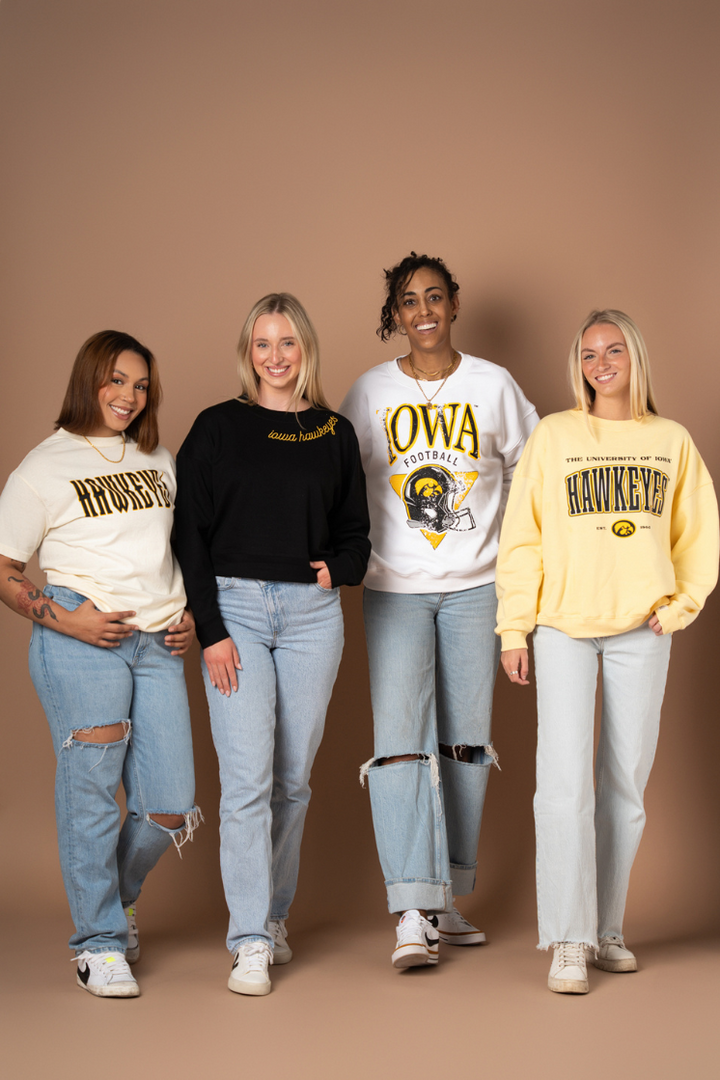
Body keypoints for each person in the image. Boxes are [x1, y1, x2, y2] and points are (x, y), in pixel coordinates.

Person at [496, 309, 719, 994]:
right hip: (563, 625)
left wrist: (679, 604)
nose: (601, 362)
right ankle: (568, 937)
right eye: (589, 353)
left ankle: (608, 927)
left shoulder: (671, 441)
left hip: (641, 630)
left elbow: (697, 534)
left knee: (623, 786)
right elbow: (523, 535)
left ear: (635, 357)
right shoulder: (555, 436)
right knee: (563, 784)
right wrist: (515, 627)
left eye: (613, 349)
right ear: (579, 365)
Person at [340, 252, 538, 969]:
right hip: (394, 588)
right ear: (393, 314)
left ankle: (447, 895)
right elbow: (333, 478)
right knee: (399, 744)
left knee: (464, 745)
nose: (421, 310)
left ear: (454, 303)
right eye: (406, 300)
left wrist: (515, 543)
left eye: (434, 296)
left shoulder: (494, 385)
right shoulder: (368, 392)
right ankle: (410, 910)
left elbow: (534, 467)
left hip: (477, 587)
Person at [173, 293, 370, 997]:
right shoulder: (217, 429)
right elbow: (187, 536)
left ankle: (275, 916)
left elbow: (356, 533)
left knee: (292, 780)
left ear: (305, 349)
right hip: (236, 611)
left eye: (288, 343)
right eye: (264, 344)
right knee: (249, 779)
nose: (277, 357)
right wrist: (213, 630)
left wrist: (338, 570)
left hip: (314, 618)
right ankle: (249, 938)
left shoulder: (333, 432)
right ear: (248, 352)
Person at [0, 331, 200, 998]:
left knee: (170, 806)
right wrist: (70, 620)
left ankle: (115, 899)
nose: (128, 396)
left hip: (156, 642)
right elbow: (4, 571)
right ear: (90, 379)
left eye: (141, 385)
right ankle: (98, 942)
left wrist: (191, 613)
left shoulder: (158, 457)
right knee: (92, 791)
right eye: (116, 380)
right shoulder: (43, 467)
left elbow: (173, 552)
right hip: (79, 635)